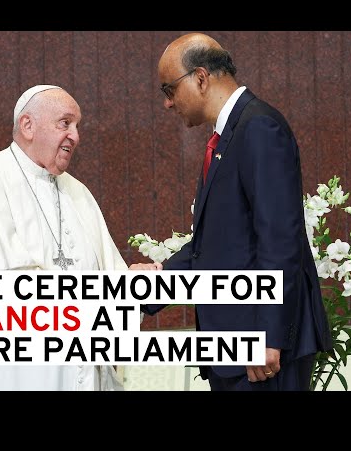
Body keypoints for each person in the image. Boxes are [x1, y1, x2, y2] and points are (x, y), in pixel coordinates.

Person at [141, 33, 333, 391]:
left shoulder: (258, 127)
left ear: (200, 77)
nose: (168, 104)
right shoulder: (228, 134)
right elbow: (215, 246)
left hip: (262, 352)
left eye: (168, 90)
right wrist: (153, 280)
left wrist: (268, 335)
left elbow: (279, 238)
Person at [0, 84, 134, 391]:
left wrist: (132, 281)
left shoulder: (78, 193)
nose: (76, 136)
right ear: (27, 125)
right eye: (65, 123)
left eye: (77, 126)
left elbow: (111, 276)